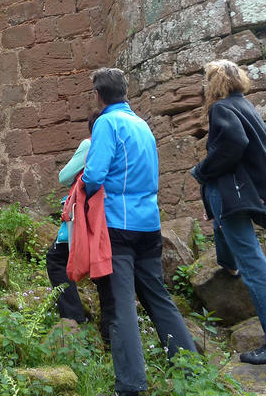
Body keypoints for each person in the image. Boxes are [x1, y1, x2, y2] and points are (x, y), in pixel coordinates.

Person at [82, 68, 197, 396]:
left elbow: (94, 175)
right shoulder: (143, 125)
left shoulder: (107, 122)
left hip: (118, 225)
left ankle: (130, 386)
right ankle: (190, 369)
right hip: (150, 224)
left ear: (98, 94)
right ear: (125, 91)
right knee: (158, 298)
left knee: (120, 307)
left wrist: (84, 197)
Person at [190, 59, 266, 364]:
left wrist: (202, 170)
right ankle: (230, 265)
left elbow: (234, 144)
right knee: (225, 231)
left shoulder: (221, 108)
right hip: (240, 195)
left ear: (213, 84)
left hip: (232, 195)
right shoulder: (247, 106)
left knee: (256, 266)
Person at [46, 110, 114, 343]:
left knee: (56, 259)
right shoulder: (123, 141)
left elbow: (65, 176)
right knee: (106, 275)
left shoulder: (90, 144)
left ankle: (74, 317)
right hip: (114, 217)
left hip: (87, 216)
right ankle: (109, 336)